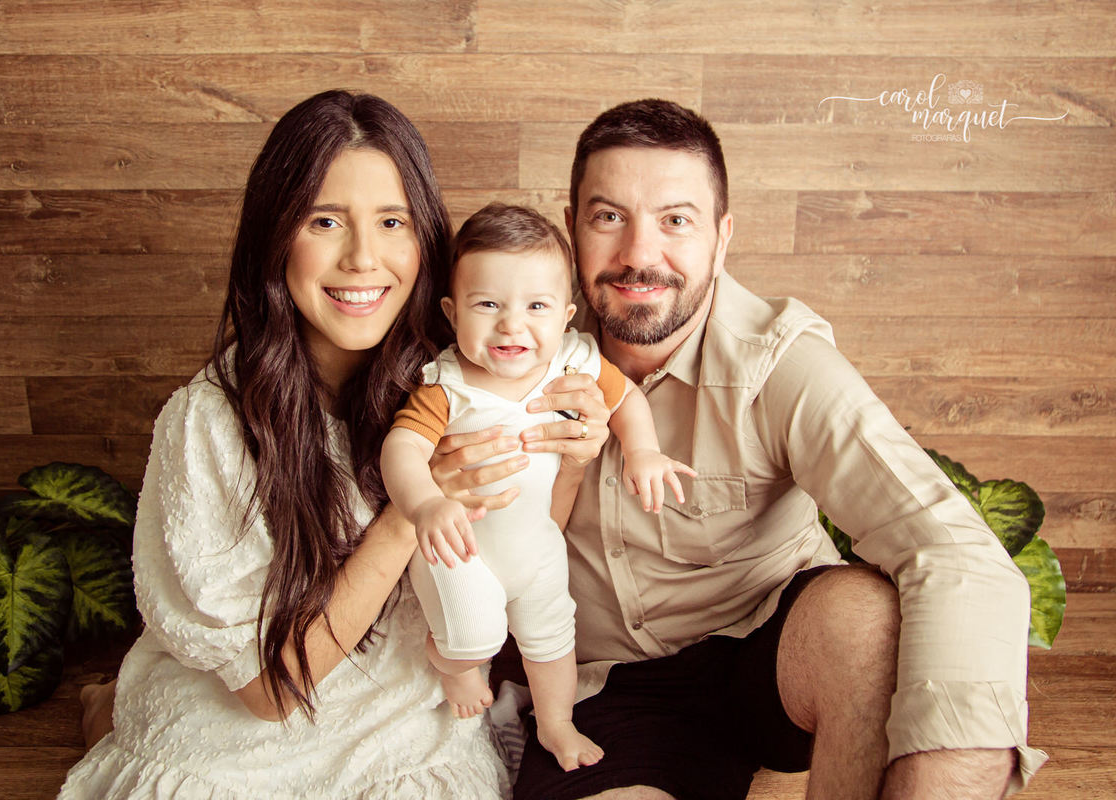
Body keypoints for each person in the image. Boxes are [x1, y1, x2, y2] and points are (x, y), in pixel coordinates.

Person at [432, 100, 1046, 800]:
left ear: (722, 239)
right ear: (572, 228)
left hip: (768, 655)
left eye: (676, 221)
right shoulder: (500, 340)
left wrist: (949, 773)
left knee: (868, 619)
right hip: (602, 684)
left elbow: (952, 548)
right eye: (609, 218)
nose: (639, 254)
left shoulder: (777, 361)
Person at [58, 90, 509, 799]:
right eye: (325, 221)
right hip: (250, 718)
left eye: (392, 221)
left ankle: (106, 701)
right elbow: (271, 692)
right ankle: (113, 709)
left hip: (394, 723)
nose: (364, 259)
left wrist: (574, 449)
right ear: (276, 236)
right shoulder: (208, 421)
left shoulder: (457, 382)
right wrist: (408, 511)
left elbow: (531, 549)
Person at [381, 203, 694, 773]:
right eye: (488, 305)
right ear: (452, 314)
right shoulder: (448, 384)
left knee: (552, 641)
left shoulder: (574, 359)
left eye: (536, 307)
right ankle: (450, 663)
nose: (511, 325)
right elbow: (401, 448)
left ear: (565, 316)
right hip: (461, 549)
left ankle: (556, 724)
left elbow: (626, 400)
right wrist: (424, 502)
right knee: (476, 639)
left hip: (539, 547)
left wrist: (643, 451)